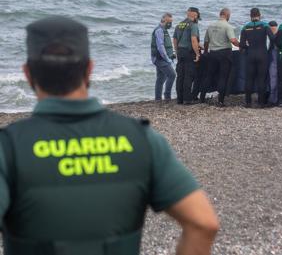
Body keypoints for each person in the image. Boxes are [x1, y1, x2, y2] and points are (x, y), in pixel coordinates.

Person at [0, 16, 219, 255]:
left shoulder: (9, 148)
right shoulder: (141, 139)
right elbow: (203, 223)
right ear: (89, 69)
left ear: (27, 73)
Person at [200, 8, 239, 106]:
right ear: (227, 15)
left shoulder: (211, 26)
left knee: (209, 75)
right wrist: (242, 46)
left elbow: (206, 41)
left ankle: (202, 97)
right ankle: (220, 101)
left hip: (212, 53)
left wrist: (205, 52)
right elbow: (233, 40)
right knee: (223, 76)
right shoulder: (227, 26)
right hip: (224, 53)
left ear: (220, 14)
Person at [239, 8, 274, 108]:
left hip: (250, 54)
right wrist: (270, 49)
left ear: (250, 15)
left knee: (249, 79)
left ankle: (248, 102)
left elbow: (241, 44)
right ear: (260, 15)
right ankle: (261, 103)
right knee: (261, 79)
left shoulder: (245, 27)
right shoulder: (265, 25)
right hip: (262, 54)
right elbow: (272, 38)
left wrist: (248, 48)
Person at [173, 7, 201, 105]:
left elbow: (175, 40)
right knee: (188, 76)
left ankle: (179, 99)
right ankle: (187, 99)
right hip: (189, 52)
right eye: (197, 16)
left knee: (180, 75)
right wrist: (197, 53)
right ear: (195, 15)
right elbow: (193, 40)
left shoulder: (179, 24)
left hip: (180, 52)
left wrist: (177, 52)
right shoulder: (193, 25)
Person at [151, 13, 176, 101]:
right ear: (163, 20)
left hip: (161, 58)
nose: (170, 24)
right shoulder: (159, 30)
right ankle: (167, 96)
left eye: (171, 22)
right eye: (169, 22)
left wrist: (172, 54)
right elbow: (160, 46)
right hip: (160, 58)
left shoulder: (164, 30)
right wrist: (167, 59)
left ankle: (158, 99)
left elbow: (166, 45)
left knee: (160, 78)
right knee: (172, 75)